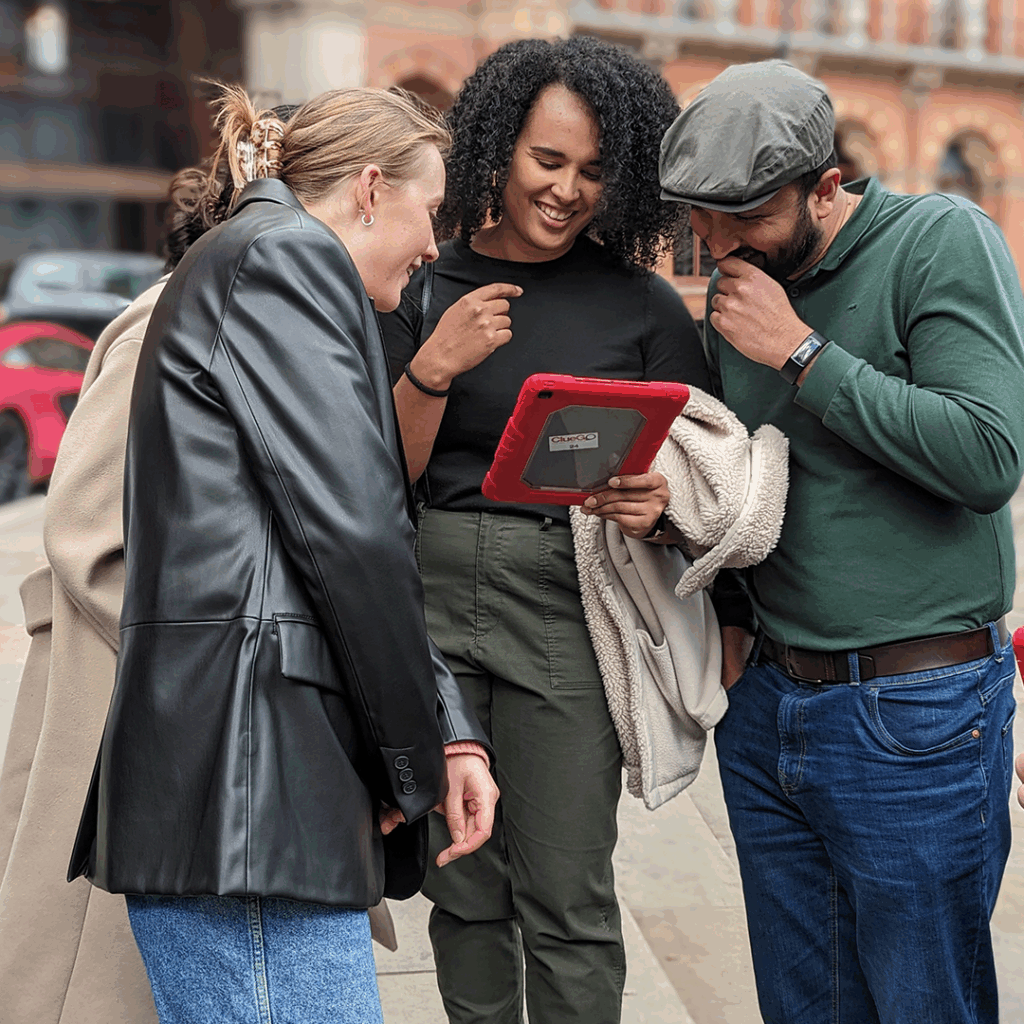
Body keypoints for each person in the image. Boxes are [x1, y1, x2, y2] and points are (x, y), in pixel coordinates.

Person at [66, 84, 498, 1024]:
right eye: (432, 212)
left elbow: (338, 533)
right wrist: (414, 760)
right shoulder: (286, 260)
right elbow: (354, 535)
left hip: (250, 790)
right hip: (253, 792)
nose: (435, 247)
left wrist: (444, 727)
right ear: (371, 189)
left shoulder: (260, 259)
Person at [658, 59, 1024, 1023]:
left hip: (917, 714)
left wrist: (801, 353)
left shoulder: (942, 239)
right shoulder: (740, 290)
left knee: (922, 1005)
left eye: (745, 221)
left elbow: (987, 456)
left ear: (828, 187)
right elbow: (742, 478)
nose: (719, 244)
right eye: (702, 220)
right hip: (771, 706)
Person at [379, 36, 735, 1024]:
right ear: (495, 147)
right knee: (460, 883)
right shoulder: (418, 286)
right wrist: (430, 370)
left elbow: (704, 469)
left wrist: (660, 509)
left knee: (567, 889)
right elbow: (376, 483)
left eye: (593, 170)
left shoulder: (643, 305)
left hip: (568, 603)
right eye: (547, 160)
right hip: (428, 596)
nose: (568, 190)